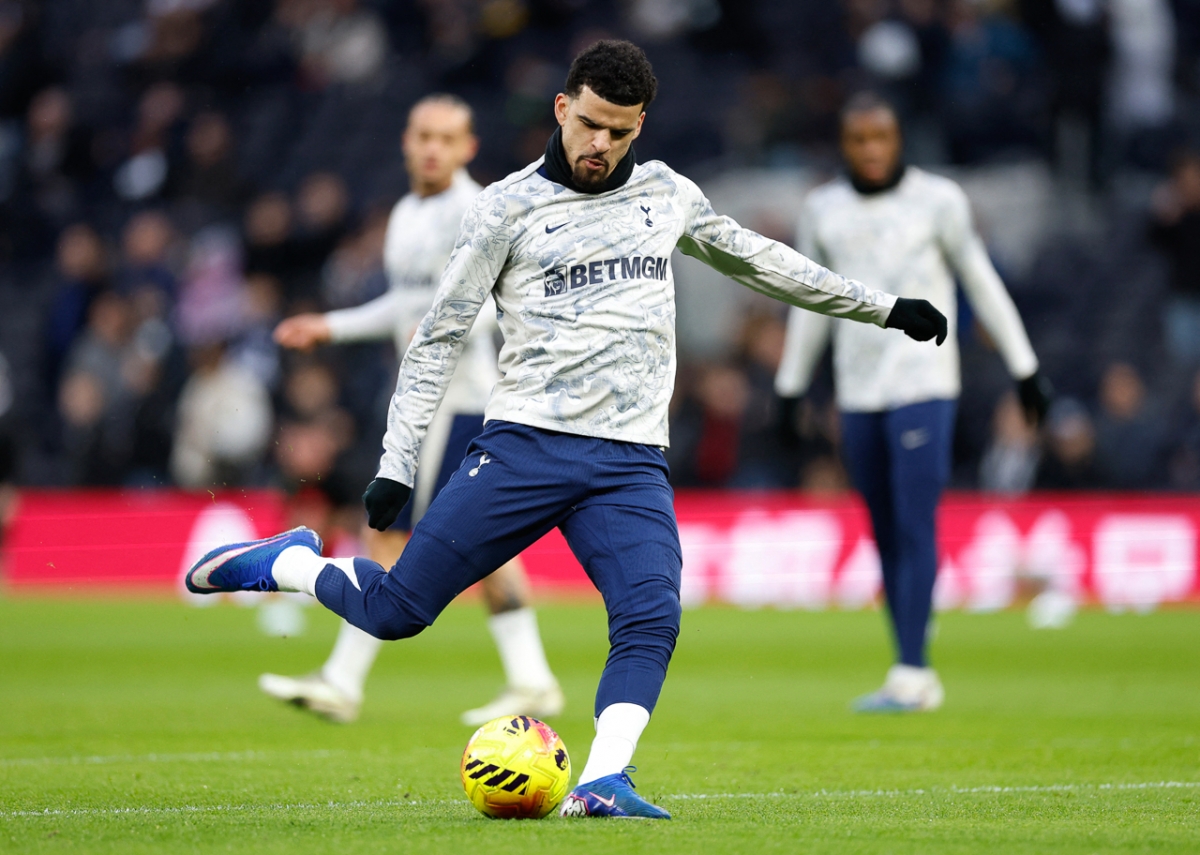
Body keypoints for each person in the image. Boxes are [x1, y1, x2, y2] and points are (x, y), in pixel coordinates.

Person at [186, 42, 946, 819]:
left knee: (651, 613)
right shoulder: (505, 208)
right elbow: (437, 336)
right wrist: (397, 461)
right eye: (589, 124)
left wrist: (882, 308)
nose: (600, 144)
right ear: (561, 107)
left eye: (619, 130)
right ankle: (289, 562)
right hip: (525, 445)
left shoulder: (666, 195)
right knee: (396, 612)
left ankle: (603, 778)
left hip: (629, 461)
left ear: (640, 124)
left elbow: (762, 262)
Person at [264, 94, 563, 727]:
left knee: (391, 533)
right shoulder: (404, 214)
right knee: (477, 545)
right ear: (406, 141)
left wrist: (454, 327)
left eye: (446, 138)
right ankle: (532, 679)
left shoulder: (478, 210)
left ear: (468, 148)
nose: (432, 148)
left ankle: (343, 681)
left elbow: (495, 302)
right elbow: (407, 305)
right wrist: (331, 326)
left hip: (461, 402)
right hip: (424, 402)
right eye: (423, 135)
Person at [775, 92, 1052, 714]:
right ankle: (908, 662)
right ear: (844, 144)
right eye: (859, 139)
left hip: (924, 384)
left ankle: (914, 670)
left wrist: (1026, 368)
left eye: (882, 137)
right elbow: (812, 301)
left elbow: (980, 280)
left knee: (912, 520)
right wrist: (791, 385)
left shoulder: (939, 201)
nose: (871, 149)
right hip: (858, 389)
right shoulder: (823, 209)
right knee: (882, 527)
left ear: (900, 140)